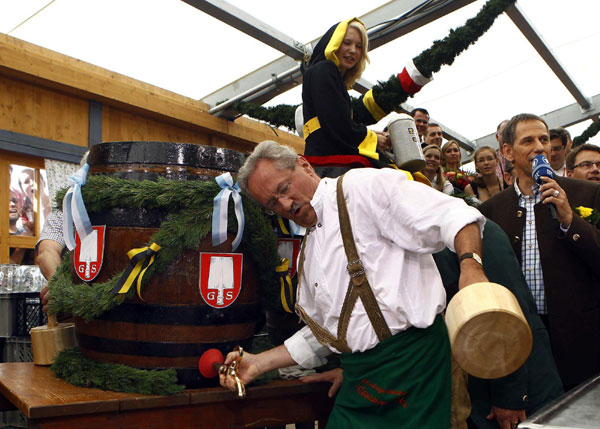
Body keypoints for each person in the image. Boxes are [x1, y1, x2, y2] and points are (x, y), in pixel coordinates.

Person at [220, 140, 488, 427]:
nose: (285, 204)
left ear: (305, 165)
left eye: (284, 189)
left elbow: (454, 215)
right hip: (361, 381)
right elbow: (329, 333)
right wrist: (258, 363)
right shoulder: (309, 251)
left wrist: (471, 266)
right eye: (273, 204)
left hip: (414, 369)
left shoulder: (362, 188)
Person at [479, 113, 600, 391]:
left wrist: (571, 220)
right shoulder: (490, 211)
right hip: (522, 337)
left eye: (544, 139)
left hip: (580, 337)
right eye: (528, 140)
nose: (540, 147)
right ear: (507, 151)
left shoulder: (587, 194)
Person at [434, 220, 563, 429]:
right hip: (479, 392)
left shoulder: (476, 233)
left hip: (520, 393)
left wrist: (509, 398)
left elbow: (504, 323)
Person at [301, 18, 431, 178]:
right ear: (333, 43)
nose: (353, 50)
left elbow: (339, 123)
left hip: (328, 159)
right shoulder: (325, 69)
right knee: (404, 179)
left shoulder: (327, 74)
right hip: (330, 162)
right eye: (347, 43)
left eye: (359, 46)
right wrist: (371, 138)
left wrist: (370, 135)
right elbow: (335, 123)